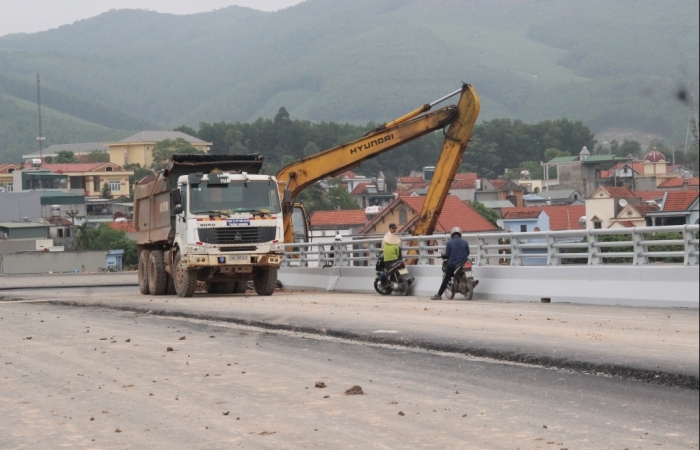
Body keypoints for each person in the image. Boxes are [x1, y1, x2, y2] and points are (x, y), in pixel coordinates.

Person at [431, 227, 470, 300]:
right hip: (464, 263)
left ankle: (439, 295)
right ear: (460, 234)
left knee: (446, 278)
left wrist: (443, 255)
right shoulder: (465, 242)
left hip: (453, 264)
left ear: (452, 234)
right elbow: (468, 253)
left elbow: (448, 255)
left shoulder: (449, 243)